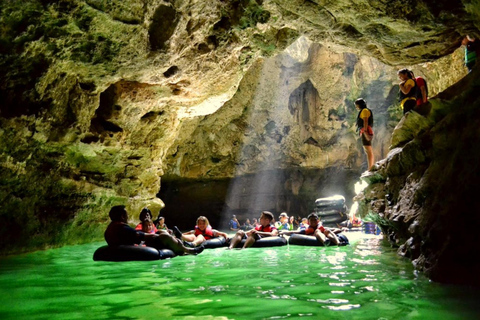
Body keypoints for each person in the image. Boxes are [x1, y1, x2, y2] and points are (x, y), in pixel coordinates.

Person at [104, 205, 204, 255]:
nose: (127, 217)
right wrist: (158, 236)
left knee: (163, 233)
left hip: (128, 246)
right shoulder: (122, 228)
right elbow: (140, 235)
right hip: (133, 248)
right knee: (164, 236)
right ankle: (188, 250)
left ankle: (182, 243)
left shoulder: (111, 228)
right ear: (122, 216)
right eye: (126, 215)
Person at [355, 98, 375, 171]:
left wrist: (365, 131)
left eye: (356, 105)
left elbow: (365, 120)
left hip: (365, 130)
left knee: (368, 150)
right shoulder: (364, 110)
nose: (356, 107)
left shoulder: (364, 110)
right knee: (367, 150)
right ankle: (370, 166)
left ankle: (370, 167)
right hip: (364, 130)